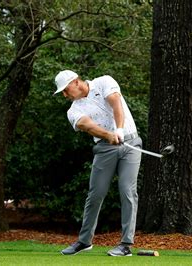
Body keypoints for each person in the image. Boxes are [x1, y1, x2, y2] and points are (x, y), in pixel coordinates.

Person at [54, 70, 142, 257]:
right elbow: (87, 125)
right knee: (96, 194)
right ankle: (84, 241)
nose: (64, 95)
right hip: (104, 148)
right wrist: (109, 135)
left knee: (127, 189)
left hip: (131, 143)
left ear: (76, 82)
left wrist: (118, 129)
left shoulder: (104, 82)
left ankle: (126, 244)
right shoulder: (73, 110)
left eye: (65, 89)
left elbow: (115, 102)